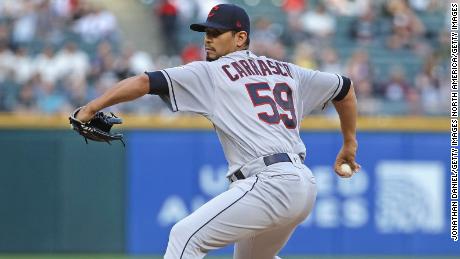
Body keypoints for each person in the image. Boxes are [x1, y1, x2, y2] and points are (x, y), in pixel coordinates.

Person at [75, 4, 360, 259]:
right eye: (206, 32)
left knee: (185, 236)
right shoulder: (287, 71)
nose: (208, 39)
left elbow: (143, 82)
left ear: (240, 38)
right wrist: (349, 143)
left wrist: (89, 108)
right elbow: (344, 88)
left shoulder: (211, 72)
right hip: (302, 184)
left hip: (269, 182)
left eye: (217, 32)